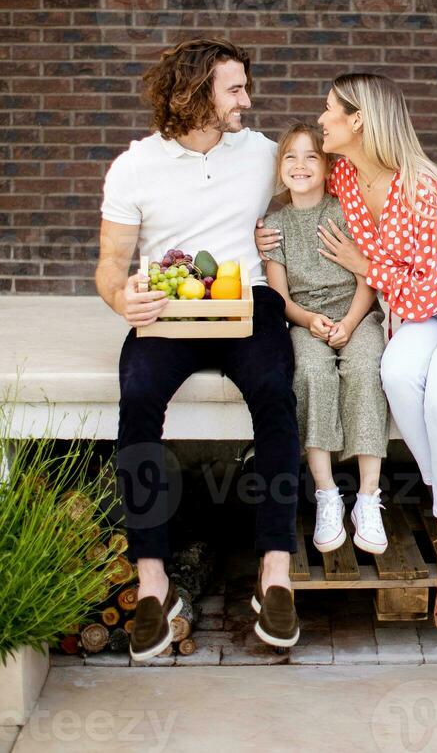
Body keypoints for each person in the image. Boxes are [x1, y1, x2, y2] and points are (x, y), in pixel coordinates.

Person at [257, 73, 437, 630]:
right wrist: (263, 238)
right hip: (415, 307)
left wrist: (365, 267)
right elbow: (300, 199)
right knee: (397, 377)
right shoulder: (347, 175)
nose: (321, 118)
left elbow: (428, 289)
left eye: (330, 110)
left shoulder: (422, 186)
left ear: (358, 121)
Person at [95, 37, 301, 659]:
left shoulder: (264, 153)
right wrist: (120, 300)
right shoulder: (134, 165)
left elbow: (327, 182)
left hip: (249, 301)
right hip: (169, 304)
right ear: (195, 96)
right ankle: (154, 580)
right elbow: (108, 267)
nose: (247, 99)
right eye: (234, 89)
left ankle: (274, 572)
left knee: (274, 393)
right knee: (137, 398)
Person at [262, 122, 390, 556]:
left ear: (328, 165)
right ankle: (327, 494)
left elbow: (366, 278)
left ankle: (368, 499)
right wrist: (309, 319)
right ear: (280, 168)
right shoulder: (275, 223)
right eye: (291, 157)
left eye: (311, 156)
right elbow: (279, 297)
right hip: (304, 320)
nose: (300, 165)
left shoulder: (345, 211)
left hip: (356, 313)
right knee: (312, 373)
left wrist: (351, 324)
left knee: (365, 368)